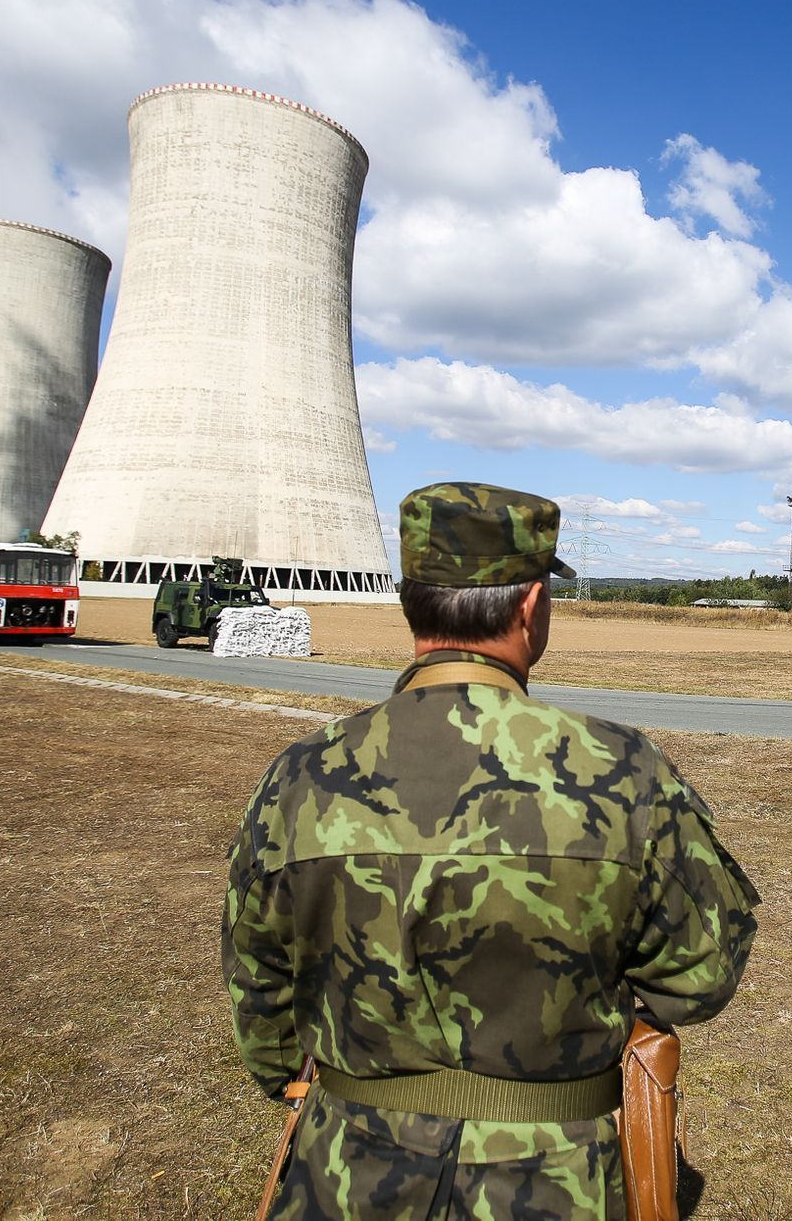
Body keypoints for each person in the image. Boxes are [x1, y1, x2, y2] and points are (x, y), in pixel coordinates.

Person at [223, 481, 761, 1219]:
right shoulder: (623, 771)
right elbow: (699, 975)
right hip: (555, 1179)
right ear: (531, 606)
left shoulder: (302, 774)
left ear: (411, 600)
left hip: (342, 1170)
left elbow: (262, 997)